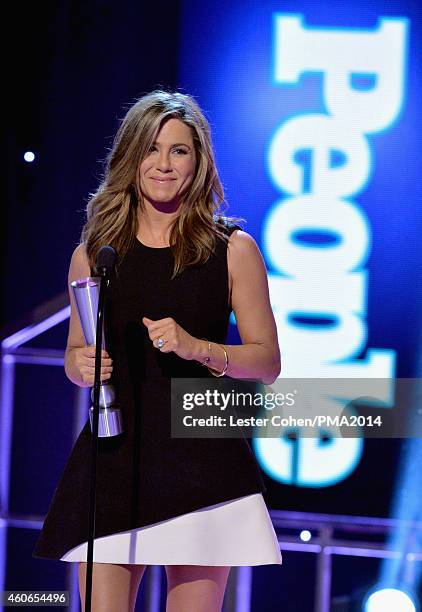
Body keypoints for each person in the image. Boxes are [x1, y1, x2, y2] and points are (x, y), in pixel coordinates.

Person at [33, 90, 282, 611]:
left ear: (199, 161)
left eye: (179, 150)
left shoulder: (232, 250)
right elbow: (78, 356)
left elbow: (268, 362)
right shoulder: (95, 253)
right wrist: (77, 364)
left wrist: (199, 348)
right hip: (115, 456)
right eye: (151, 149)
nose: (164, 164)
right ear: (131, 157)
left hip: (203, 456)